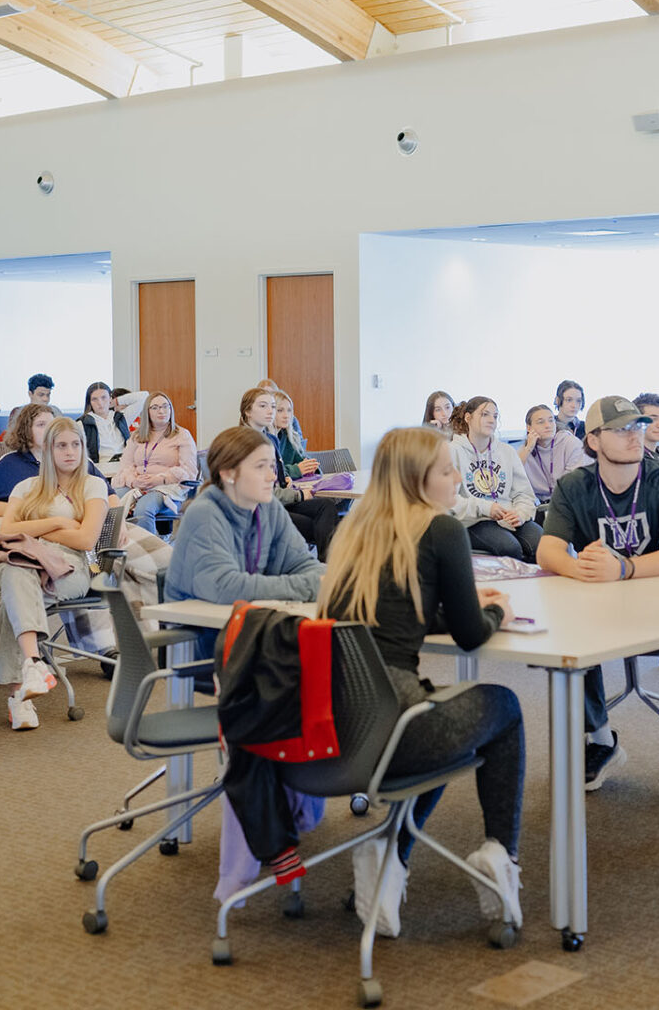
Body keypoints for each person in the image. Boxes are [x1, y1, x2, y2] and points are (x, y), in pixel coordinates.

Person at [317, 427, 525, 937]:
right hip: (394, 727)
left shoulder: (353, 531)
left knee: (438, 716)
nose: (458, 477)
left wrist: (454, 611)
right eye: (446, 470)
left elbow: (385, 614)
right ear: (417, 480)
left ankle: (392, 855)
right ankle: (501, 854)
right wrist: (496, 611)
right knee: (502, 707)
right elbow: (471, 636)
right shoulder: (441, 531)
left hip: (328, 726)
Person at [537, 396, 659, 810]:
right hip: (601, 607)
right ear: (593, 440)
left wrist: (622, 568)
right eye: (621, 429)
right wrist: (586, 571)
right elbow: (548, 552)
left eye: (637, 426)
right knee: (568, 628)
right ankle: (600, 740)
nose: (635, 435)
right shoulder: (573, 486)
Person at [163, 426, 324, 658]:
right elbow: (226, 586)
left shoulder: (268, 508)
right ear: (228, 473)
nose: (272, 476)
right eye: (261, 467)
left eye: (271, 466)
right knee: (324, 662)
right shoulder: (205, 513)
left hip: (252, 630)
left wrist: (328, 580)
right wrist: (309, 586)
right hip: (202, 640)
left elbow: (302, 562)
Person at [0, 416, 110, 731]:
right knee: (17, 570)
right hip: (21, 557)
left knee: (11, 599)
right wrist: (59, 523)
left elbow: (86, 540)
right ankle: (32, 666)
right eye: (61, 445)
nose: (70, 452)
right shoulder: (26, 486)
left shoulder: (93, 484)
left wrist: (35, 532)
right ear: (48, 450)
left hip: (70, 565)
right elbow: (6, 531)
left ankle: (22, 696)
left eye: (76, 444)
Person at [240, 387, 340, 560]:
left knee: (327, 507)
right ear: (248, 411)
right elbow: (264, 492)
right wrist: (299, 495)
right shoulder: (246, 442)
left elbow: (280, 477)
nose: (270, 411)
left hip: (279, 499)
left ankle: (325, 567)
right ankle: (324, 569)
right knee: (327, 526)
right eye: (263, 406)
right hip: (262, 507)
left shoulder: (271, 439)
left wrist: (285, 480)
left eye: (272, 406)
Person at [449, 397, 540, 562]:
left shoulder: (507, 451)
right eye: (485, 414)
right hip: (475, 520)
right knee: (509, 547)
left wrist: (520, 513)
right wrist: (486, 507)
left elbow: (524, 494)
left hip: (509, 517)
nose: (492, 420)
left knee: (542, 544)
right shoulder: (453, 451)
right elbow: (448, 500)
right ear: (468, 418)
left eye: (495, 416)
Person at [0, 404, 107, 517]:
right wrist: (34, 512)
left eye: (52, 425)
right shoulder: (8, 464)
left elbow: (110, 495)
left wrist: (116, 523)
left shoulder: (75, 459)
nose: (48, 430)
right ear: (25, 430)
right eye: (41, 425)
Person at [113, 392, 198, 535]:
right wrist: (133, 481)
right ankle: (120, 545)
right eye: (155, 407)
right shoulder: (137, 435)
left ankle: (150, 552)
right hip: (138, 484)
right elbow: (125, 466)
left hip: (167, 487)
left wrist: (160, 479)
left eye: (165, 406)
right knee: (111, 500)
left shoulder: (182, 435)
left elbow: (189, 472)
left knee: (143, 508)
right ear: (147, 412)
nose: (161, 411)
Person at [516, 403, 586, 518]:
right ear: (529, 428)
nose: (548, 425)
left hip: (571, 503)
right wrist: (528, 448)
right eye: (540, 422)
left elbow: (573, 485)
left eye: (551, 420)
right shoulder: (525, 451)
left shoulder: (571, 443)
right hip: (540, 508)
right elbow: (513, 476)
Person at [272, 390, 320, 479]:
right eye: (280, 410)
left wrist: (311, 467)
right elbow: (272, 472)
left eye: (289, 410)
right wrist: (297, 470)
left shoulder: (290, 436)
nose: (286, 415)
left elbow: (301, 459)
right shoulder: (263, 439)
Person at [81, 381, 130, 463]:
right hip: (100, 469)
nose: (100, 403)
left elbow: (143, 396)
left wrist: (116, 402)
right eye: (94, 399)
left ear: (110, 398)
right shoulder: (83, 423)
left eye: (104, 397)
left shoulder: (121, 417)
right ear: (89, 402)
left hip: (125, 466)